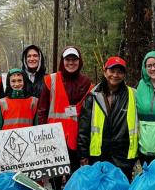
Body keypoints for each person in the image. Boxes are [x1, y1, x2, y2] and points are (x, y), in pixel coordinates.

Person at [78, 57, 138, 181]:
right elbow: (84, 128)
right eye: (112, 71)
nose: (115, 75)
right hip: (98, 155)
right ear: (105, 72)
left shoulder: (133, 94)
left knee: (121, 189)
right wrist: (83, 155)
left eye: (119, 72)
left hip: (123, 156)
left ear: (124, 75)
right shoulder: (93, 95)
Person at [37, 46, 93, 174]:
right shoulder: (51, 80)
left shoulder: (87, 83)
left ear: (80, 61)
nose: (71, 62)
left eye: (74, 59)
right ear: (62, 61)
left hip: (76, 139)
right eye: (67, 59)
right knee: (55, 178)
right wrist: (43, 137)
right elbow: (42, 111)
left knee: (74, 176)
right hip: (53, 138)